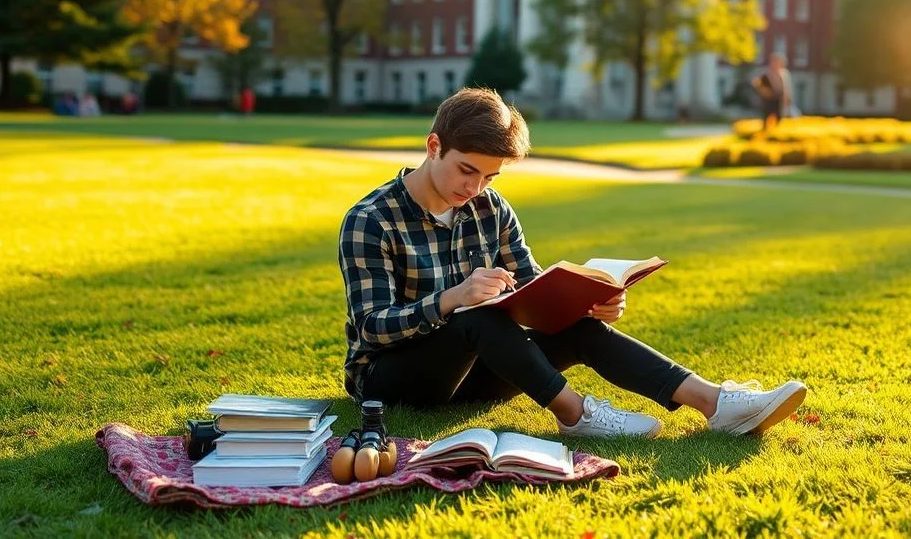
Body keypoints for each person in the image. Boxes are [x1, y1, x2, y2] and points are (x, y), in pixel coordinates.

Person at [338, 87, 807, 438]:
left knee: (575, 328)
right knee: (477, 317)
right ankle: (576, 415)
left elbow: (532, 288)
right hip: (391, 384)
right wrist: (453, 299)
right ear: (433, 145)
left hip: (475, 376)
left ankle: (716, 405)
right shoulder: (371, 220)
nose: (476, 188)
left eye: (490, 176)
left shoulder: (491, 210)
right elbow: (372, 328)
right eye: (467, 171)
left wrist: (584, 303)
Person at [751, 52, 794, 131]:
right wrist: (763, 91)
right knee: (766, 120)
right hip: (769, 101)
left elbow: (786, 89)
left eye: (779, 62)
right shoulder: (766, 73)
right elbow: (755, 83)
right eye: (775, 62)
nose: (777, 64)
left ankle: (776, 135)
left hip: (779, 101)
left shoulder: (784, 74)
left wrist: (787, 99)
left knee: (779, 119)